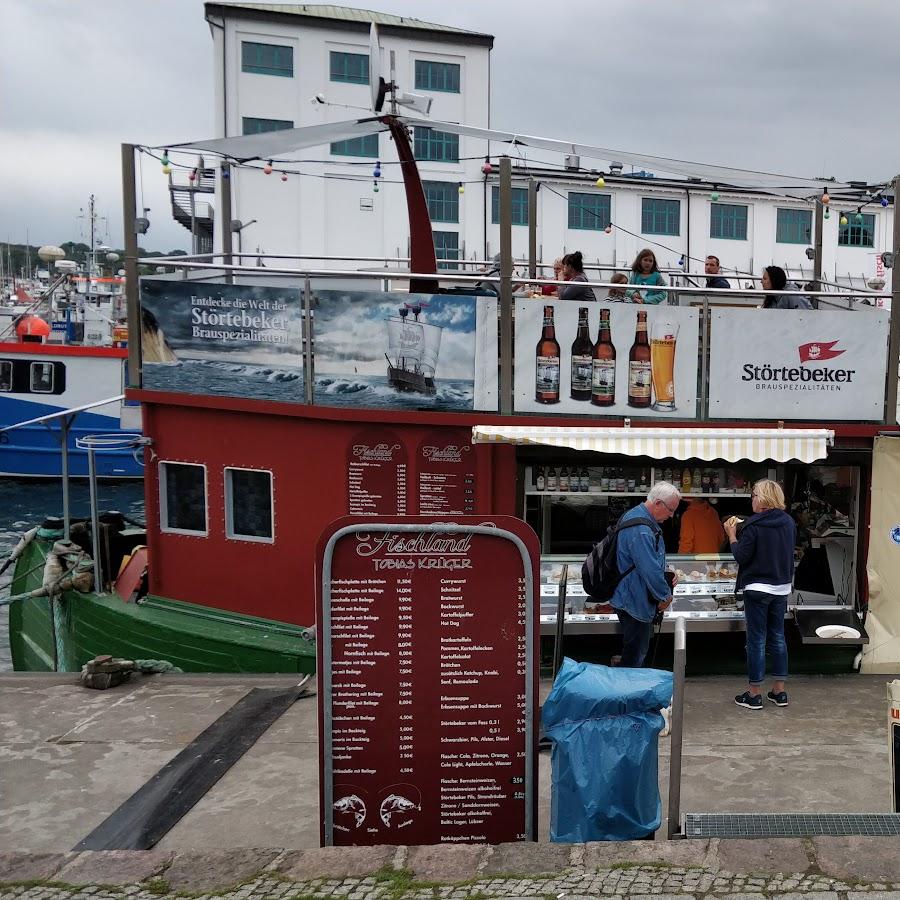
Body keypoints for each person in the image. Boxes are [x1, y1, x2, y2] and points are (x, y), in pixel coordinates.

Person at [724, 479, 796, 711]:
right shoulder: (788, 523)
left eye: (754, 495)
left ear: (763, 499)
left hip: (757, 589)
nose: (752, 499)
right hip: (781, 588)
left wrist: (732, 534)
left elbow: (741, 557)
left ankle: (754, 694)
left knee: (756, 640)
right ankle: (779, 690)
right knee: (777, 637)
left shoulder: (753, 526)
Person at [610, 481, 681, 667]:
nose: (672, 515)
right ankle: (627, 692)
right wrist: (664, 596)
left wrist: (665, 572)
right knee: (636, 654)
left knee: (633, 649)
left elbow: (644, 561)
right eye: (670, 510)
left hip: (630, 597)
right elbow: (648, 568)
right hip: (634, 600)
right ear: (658, 503)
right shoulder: (641, 529)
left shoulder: (636, 516)